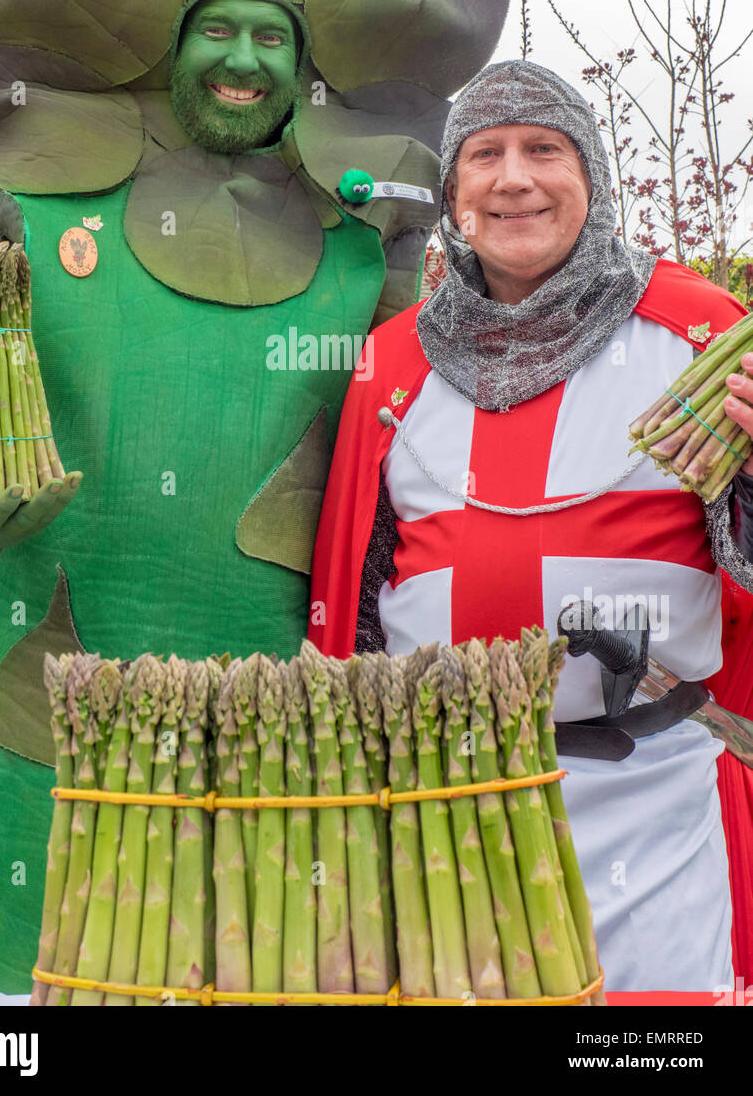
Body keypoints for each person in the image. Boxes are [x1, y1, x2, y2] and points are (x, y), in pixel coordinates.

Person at [0, 0, 514, 995]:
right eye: (216, 30)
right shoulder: (38, 208)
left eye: (268, 38)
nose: (239, 57)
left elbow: (437, 450)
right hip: (23, 688)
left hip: (271, 717)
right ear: (171, 45)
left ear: (303, 68)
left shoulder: (370, 254)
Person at [310, 59, 753, 993]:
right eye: (484, 156)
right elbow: (353, 581)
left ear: (590, 174)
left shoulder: (700, 333)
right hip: (445, 789)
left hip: (646, 789)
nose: (514, 177)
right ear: (454, 193)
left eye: (544, 149)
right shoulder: (394, 363)